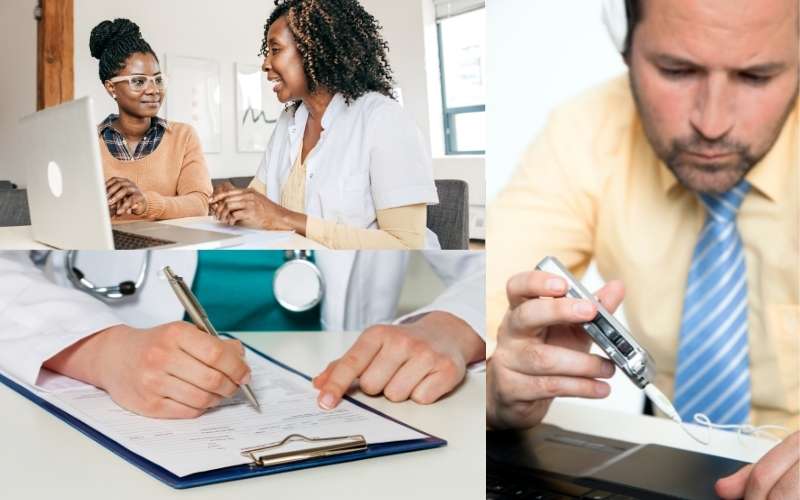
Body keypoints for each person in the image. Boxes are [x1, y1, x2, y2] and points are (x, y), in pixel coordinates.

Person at [486, 0, 798, 498]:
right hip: (667, 456)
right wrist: (497, 383)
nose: (712, 124)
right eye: (676, 70)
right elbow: (483, 312)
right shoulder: (584, 130)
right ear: (625, 44)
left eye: (757, 76)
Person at [0, 250, 485, 419]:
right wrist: (98, 348)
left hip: (354, 402)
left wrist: (455, 324)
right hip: (130, 416)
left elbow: (526, 250)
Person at [209, 0, 440, 249]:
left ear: (315, 51)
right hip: (301, 276)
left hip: (373, 280)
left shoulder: (384, 120)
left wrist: (283, 217)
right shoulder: (289, 122)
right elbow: (259, 206)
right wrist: (233, 201)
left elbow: (407, 245)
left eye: (275, 50)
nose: (265, 64)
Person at [90, 18, 212, 220]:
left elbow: (200, 204)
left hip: (169, 244)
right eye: (138, 81)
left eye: (158, 80)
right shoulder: (88, 142)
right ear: (111, 87)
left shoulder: (183, 137)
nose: (154, 90)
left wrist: (146, 203)